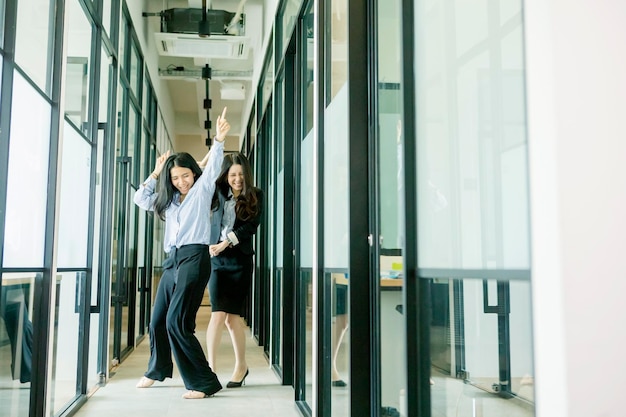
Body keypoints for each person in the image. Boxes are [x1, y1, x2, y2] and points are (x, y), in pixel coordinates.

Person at [133, 108, 230, 399]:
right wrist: (156, 171)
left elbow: (212, 168)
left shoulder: (201, 190)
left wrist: (219, 140)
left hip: (194, 258)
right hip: (172, 260)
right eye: (175, 178)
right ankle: (156, 370)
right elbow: (141, 198)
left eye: (185, 175)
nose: (181, 181)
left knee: (177, 321)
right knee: (158, 319)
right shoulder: (169, 200)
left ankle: (203, 382)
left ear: (193, 173)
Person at [205, 153, 263, 388]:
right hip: (217, 260)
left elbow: (251, 226)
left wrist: (226, 242)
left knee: (232, 319)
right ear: (226, 176)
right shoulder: (217, 193)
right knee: (218, 315)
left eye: (240, 174)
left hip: (239, 261)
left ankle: (241, 366)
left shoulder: (256, 195)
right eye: (232, 175)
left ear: (246, 174)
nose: (237, 179)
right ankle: (210, 371)